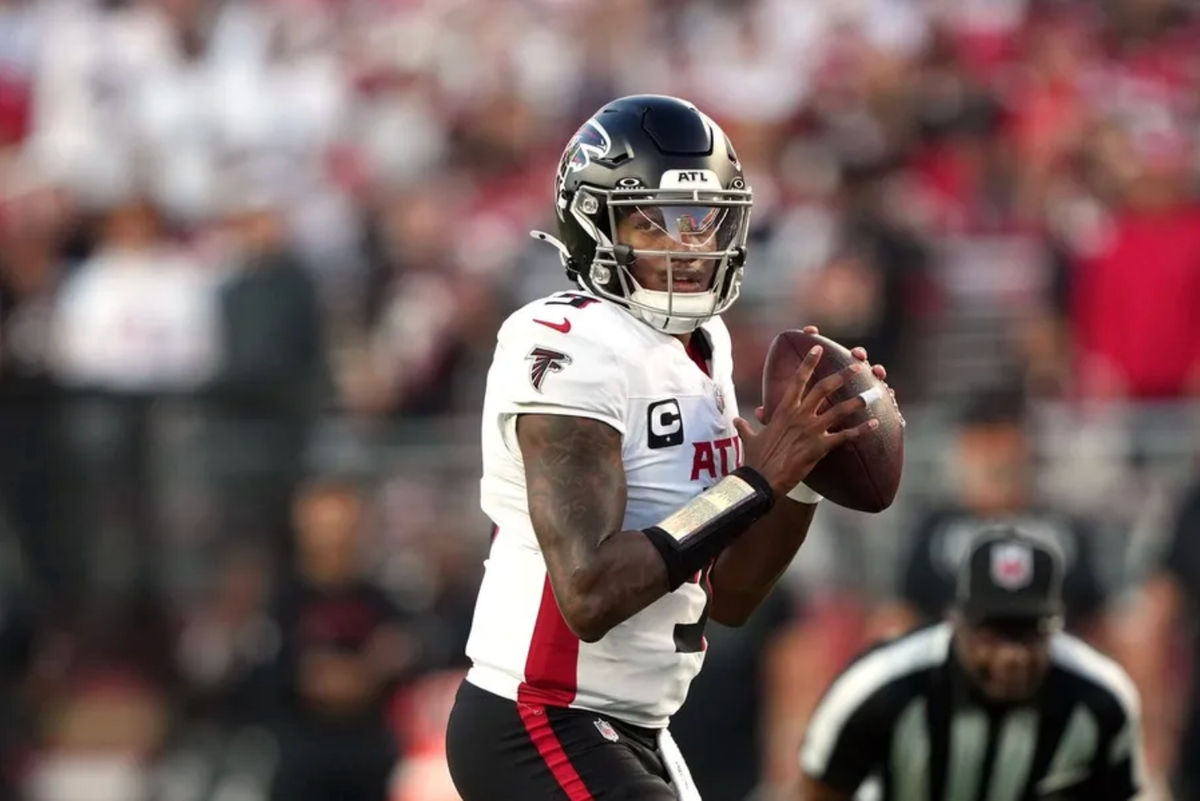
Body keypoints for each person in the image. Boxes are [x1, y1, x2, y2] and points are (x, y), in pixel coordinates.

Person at [444, 94, 892, 800]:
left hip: (636, 726)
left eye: (701, 218)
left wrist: (802, 471)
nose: (689, 243)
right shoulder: (567, 342)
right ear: (594, 224)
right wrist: (757, 477)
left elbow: (734, 593)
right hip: (538, 716)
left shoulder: (701, 347)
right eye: (655, 222)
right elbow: (590, 591)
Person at [799, 528, 1144, 801]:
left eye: (1028, 633)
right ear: (956, 621)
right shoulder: (881, 686)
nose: (1012, 655)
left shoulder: (1099, 698)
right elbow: (820, 791)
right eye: (994, 633)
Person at [880, 391, 1110, 641]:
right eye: (984, 449)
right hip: (953, 661)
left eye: (1003, 446)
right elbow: (906, 608)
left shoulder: (1062, 527)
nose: (995, 460)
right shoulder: (938, 529)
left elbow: (1095, 617)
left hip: (1052, 655)